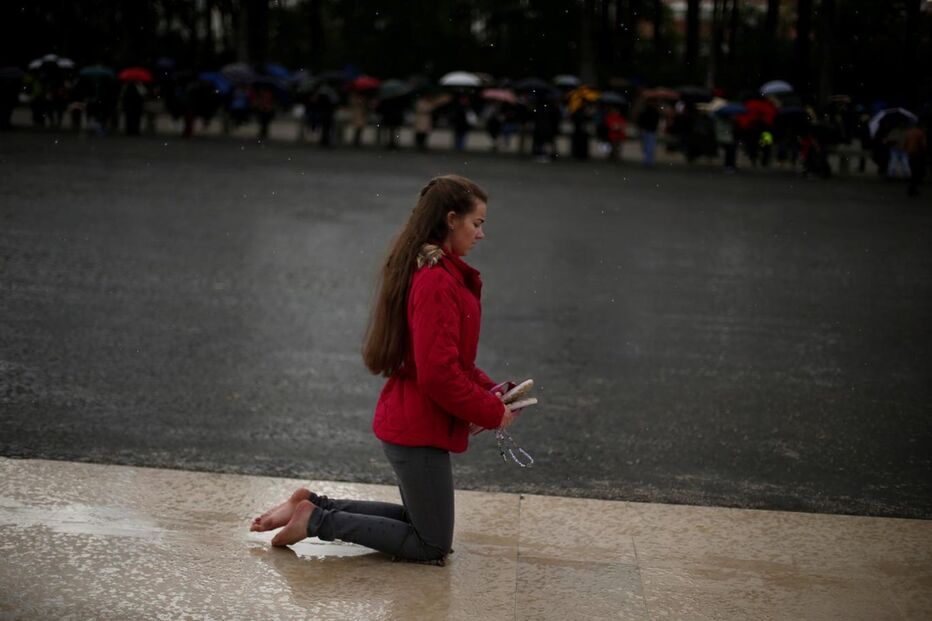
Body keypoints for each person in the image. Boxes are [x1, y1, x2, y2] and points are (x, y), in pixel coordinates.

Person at [250, 175, 516, 564]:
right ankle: (316, 520)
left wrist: (492, 393)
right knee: (431, 545)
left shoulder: (435, 273)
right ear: (451, 219)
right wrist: (491, 412)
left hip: (413, 419)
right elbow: (438, 374)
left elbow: (452, 362)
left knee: (420, 523)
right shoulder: (437, 282)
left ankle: (312, 506)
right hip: (418, 429)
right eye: (477, 224)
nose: (481, 235)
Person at [904, 122, 927, 197]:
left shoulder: (909, 132)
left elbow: (905, 143)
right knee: (917, 172)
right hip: (917, 154)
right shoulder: (920, 133)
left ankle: (911, 188)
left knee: (913, 170)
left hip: (910, 153)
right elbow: (923, 145)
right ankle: (913, 188)